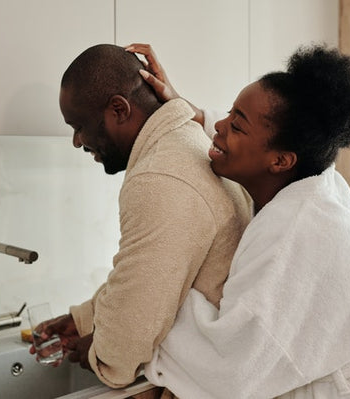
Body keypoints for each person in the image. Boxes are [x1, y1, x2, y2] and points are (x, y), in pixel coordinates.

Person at [125, 43, 350, 398]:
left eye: (237, 126)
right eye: (229, 112)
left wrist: (152, 298)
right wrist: (185, 110)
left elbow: (232, 368)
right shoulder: (315, 176)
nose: (220, 126)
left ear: (281, 161)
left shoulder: (295, 232)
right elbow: (256, 133)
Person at [29, 44, 253, 390]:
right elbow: (144, 275)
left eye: (79, 126)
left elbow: (129, 335)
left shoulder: (160, 177)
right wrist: (83, 320)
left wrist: (96, 353)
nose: (77, 141)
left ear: (119, 109)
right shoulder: (185, 142)